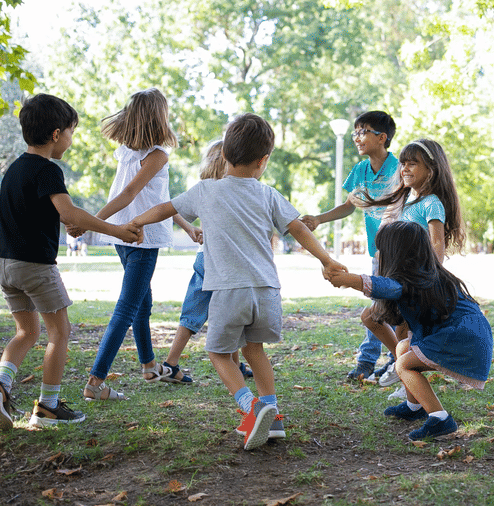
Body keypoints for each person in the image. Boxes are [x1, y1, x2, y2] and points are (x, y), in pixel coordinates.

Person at [130, 113, 346, 450]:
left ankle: (251, 407)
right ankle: (272, 417)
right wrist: (327, 259)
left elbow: (164, 208)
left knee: (217, 352)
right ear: (263, 161)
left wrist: (137, 221)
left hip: (229, 291)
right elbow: (299, 228)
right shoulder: (268, 194)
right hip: (267, 291)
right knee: (254, 350)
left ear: (224, 156)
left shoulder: (206, 190)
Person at [0, 93, 141, 430]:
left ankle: (0, 385)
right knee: (59, 332)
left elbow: (44, 214)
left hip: (4, 265)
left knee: (26, 331)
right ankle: (48, 407)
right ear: (56, 134)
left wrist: (70, 222)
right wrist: (117, 230)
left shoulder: (14, 170)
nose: (70, 138)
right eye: (70, 131)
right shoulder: (48, 170)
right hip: (35, 266)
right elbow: (69, 212)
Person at [76, 89, 199, 401]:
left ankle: (148, 366)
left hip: (124, 234)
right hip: (141, 237)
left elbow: (158, 199)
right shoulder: (156, 154)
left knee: (142, 303)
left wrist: (186, 225)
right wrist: (89, 221)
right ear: (159, 117)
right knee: (128, 306)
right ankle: (95, 380)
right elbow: (130, 193)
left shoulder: (127, 152)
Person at [326, 221, 492, 440]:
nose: (377, 255)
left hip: (461, 337)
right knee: (403, 349)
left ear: (396, 255)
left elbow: (386, 286)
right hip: (467, 335)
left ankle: (440, 419)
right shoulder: (426, 275)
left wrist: (348, 280)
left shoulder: (410, 281)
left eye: (381, 250)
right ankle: (414, 407)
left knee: (403, 364)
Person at [358, 138, 466, 399]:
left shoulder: (431, 203)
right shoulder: (406, 200)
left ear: (431, 169)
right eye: (403, 164)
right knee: (373, 318)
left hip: (418, 283)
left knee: (402, 331)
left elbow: (437, 242)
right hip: (399, 280)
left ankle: (409, 387)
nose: (404, 168)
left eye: (412, 164)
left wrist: (433, 277)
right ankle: (402, 370)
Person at [300, 111, 399, 383]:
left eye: (362, 132)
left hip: (399, 252)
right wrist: (319, 219)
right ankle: (391, 359)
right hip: (376, 252)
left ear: (382, 138)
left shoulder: (399, 168)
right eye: (354, 132)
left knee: (383, 307)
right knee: (381, 306)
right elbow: (348, 206)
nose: (357, 137)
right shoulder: (360, 171)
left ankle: (374, 361)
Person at [160, 140, 254, 386]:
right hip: (224, 261)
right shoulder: (234, 189)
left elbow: (172, 207)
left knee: (193, 312)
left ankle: (171, 363)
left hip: (204, 257)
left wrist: (191, 228)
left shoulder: (204, 188)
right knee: (231, 311)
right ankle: (231, 363)